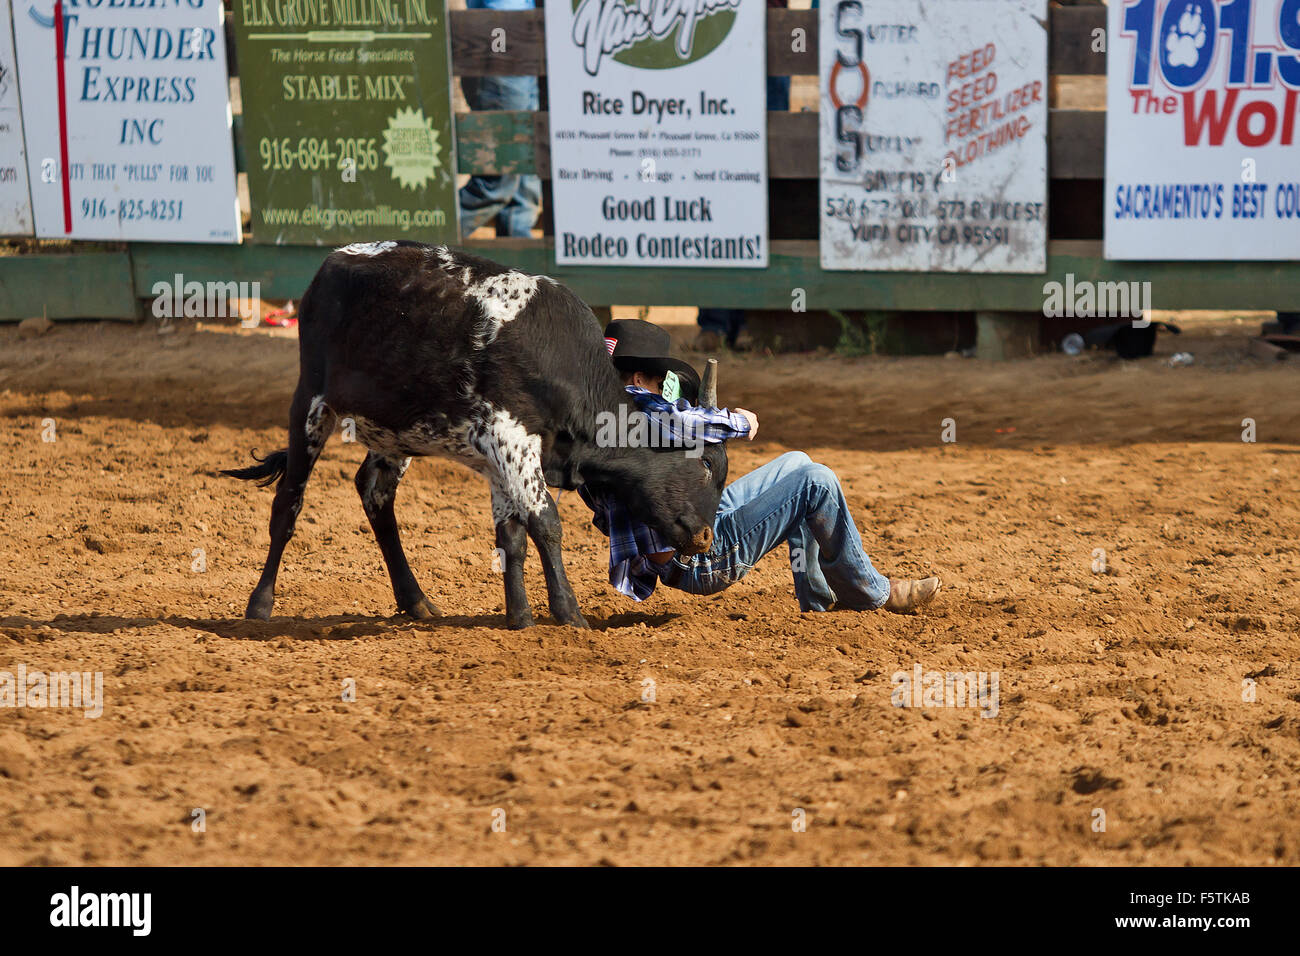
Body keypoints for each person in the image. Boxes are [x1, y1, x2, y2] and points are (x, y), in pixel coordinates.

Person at [580, 320, 942, 613]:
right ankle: (872, 593)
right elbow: (677, 421)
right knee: (817, 482)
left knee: (798, 463)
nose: (661, 391)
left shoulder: (598, 423)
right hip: (697, 557)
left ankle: (818, 597)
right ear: (639, 380)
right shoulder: (631, 410)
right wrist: (735, 420)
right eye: (659, 383)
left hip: (690, 535)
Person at [457, 0, 542, 238]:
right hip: (501, 40)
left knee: (525, 180)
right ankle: (411, 244)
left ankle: (520, 264)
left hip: (525, 39)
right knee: (497, 182)